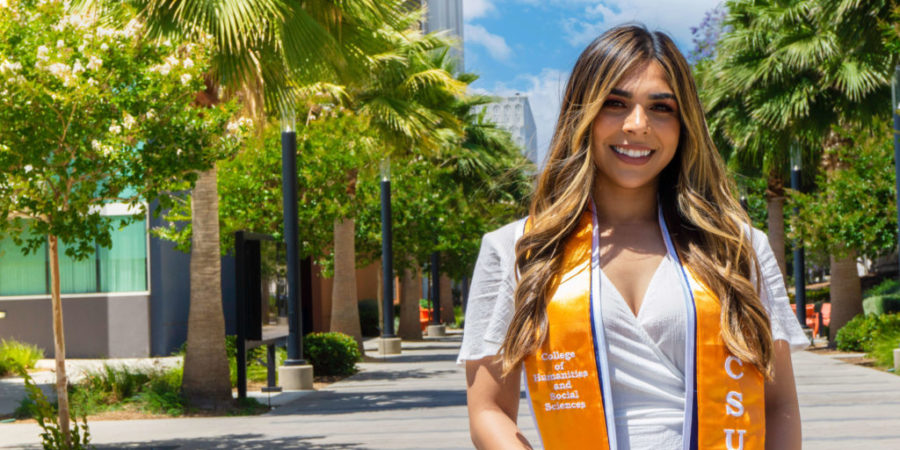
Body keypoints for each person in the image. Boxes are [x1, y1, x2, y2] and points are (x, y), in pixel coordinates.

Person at [458, 25, 807, 450]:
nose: (637, 125)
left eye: (662, 108)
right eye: (615, 103)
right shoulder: (518, 250)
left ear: (684, 125)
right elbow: (488, 411)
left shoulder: (736, 248)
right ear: (581, 114)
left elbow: (778, 406)